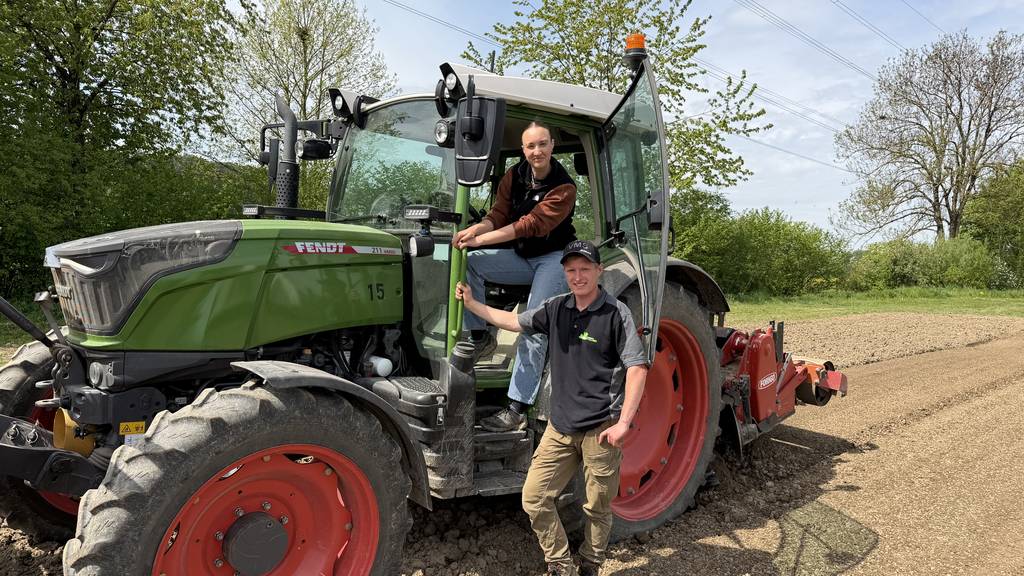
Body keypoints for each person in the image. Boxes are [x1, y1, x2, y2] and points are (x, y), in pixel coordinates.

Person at [455, 240, 649, 576]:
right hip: (560, 428)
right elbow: (514, 322)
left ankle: (591, 562)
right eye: (571, 270)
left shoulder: (617, 313)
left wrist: (624, 423)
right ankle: (561, 564)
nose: (578, 276)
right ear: (564, 273)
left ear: (598, 271)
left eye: (584, 269)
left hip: (600, 430)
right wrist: (474, 303)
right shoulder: (557, 307)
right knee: (534, 498)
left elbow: (637, 367)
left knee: (596, 507)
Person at [453, 120, 578, 433]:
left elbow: (529, 226)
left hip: (552, 259)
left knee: (533, 326)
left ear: (552, 146)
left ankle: (517, 408)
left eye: (542, 144)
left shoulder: (564, 187)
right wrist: (475, 231)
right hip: (524, 257)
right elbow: (498, 215)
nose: (537, 151)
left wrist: (481, 239)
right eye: (531, 146)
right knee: (472, 262)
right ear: (524, 150)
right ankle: (480, 337)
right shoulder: (514, 176)